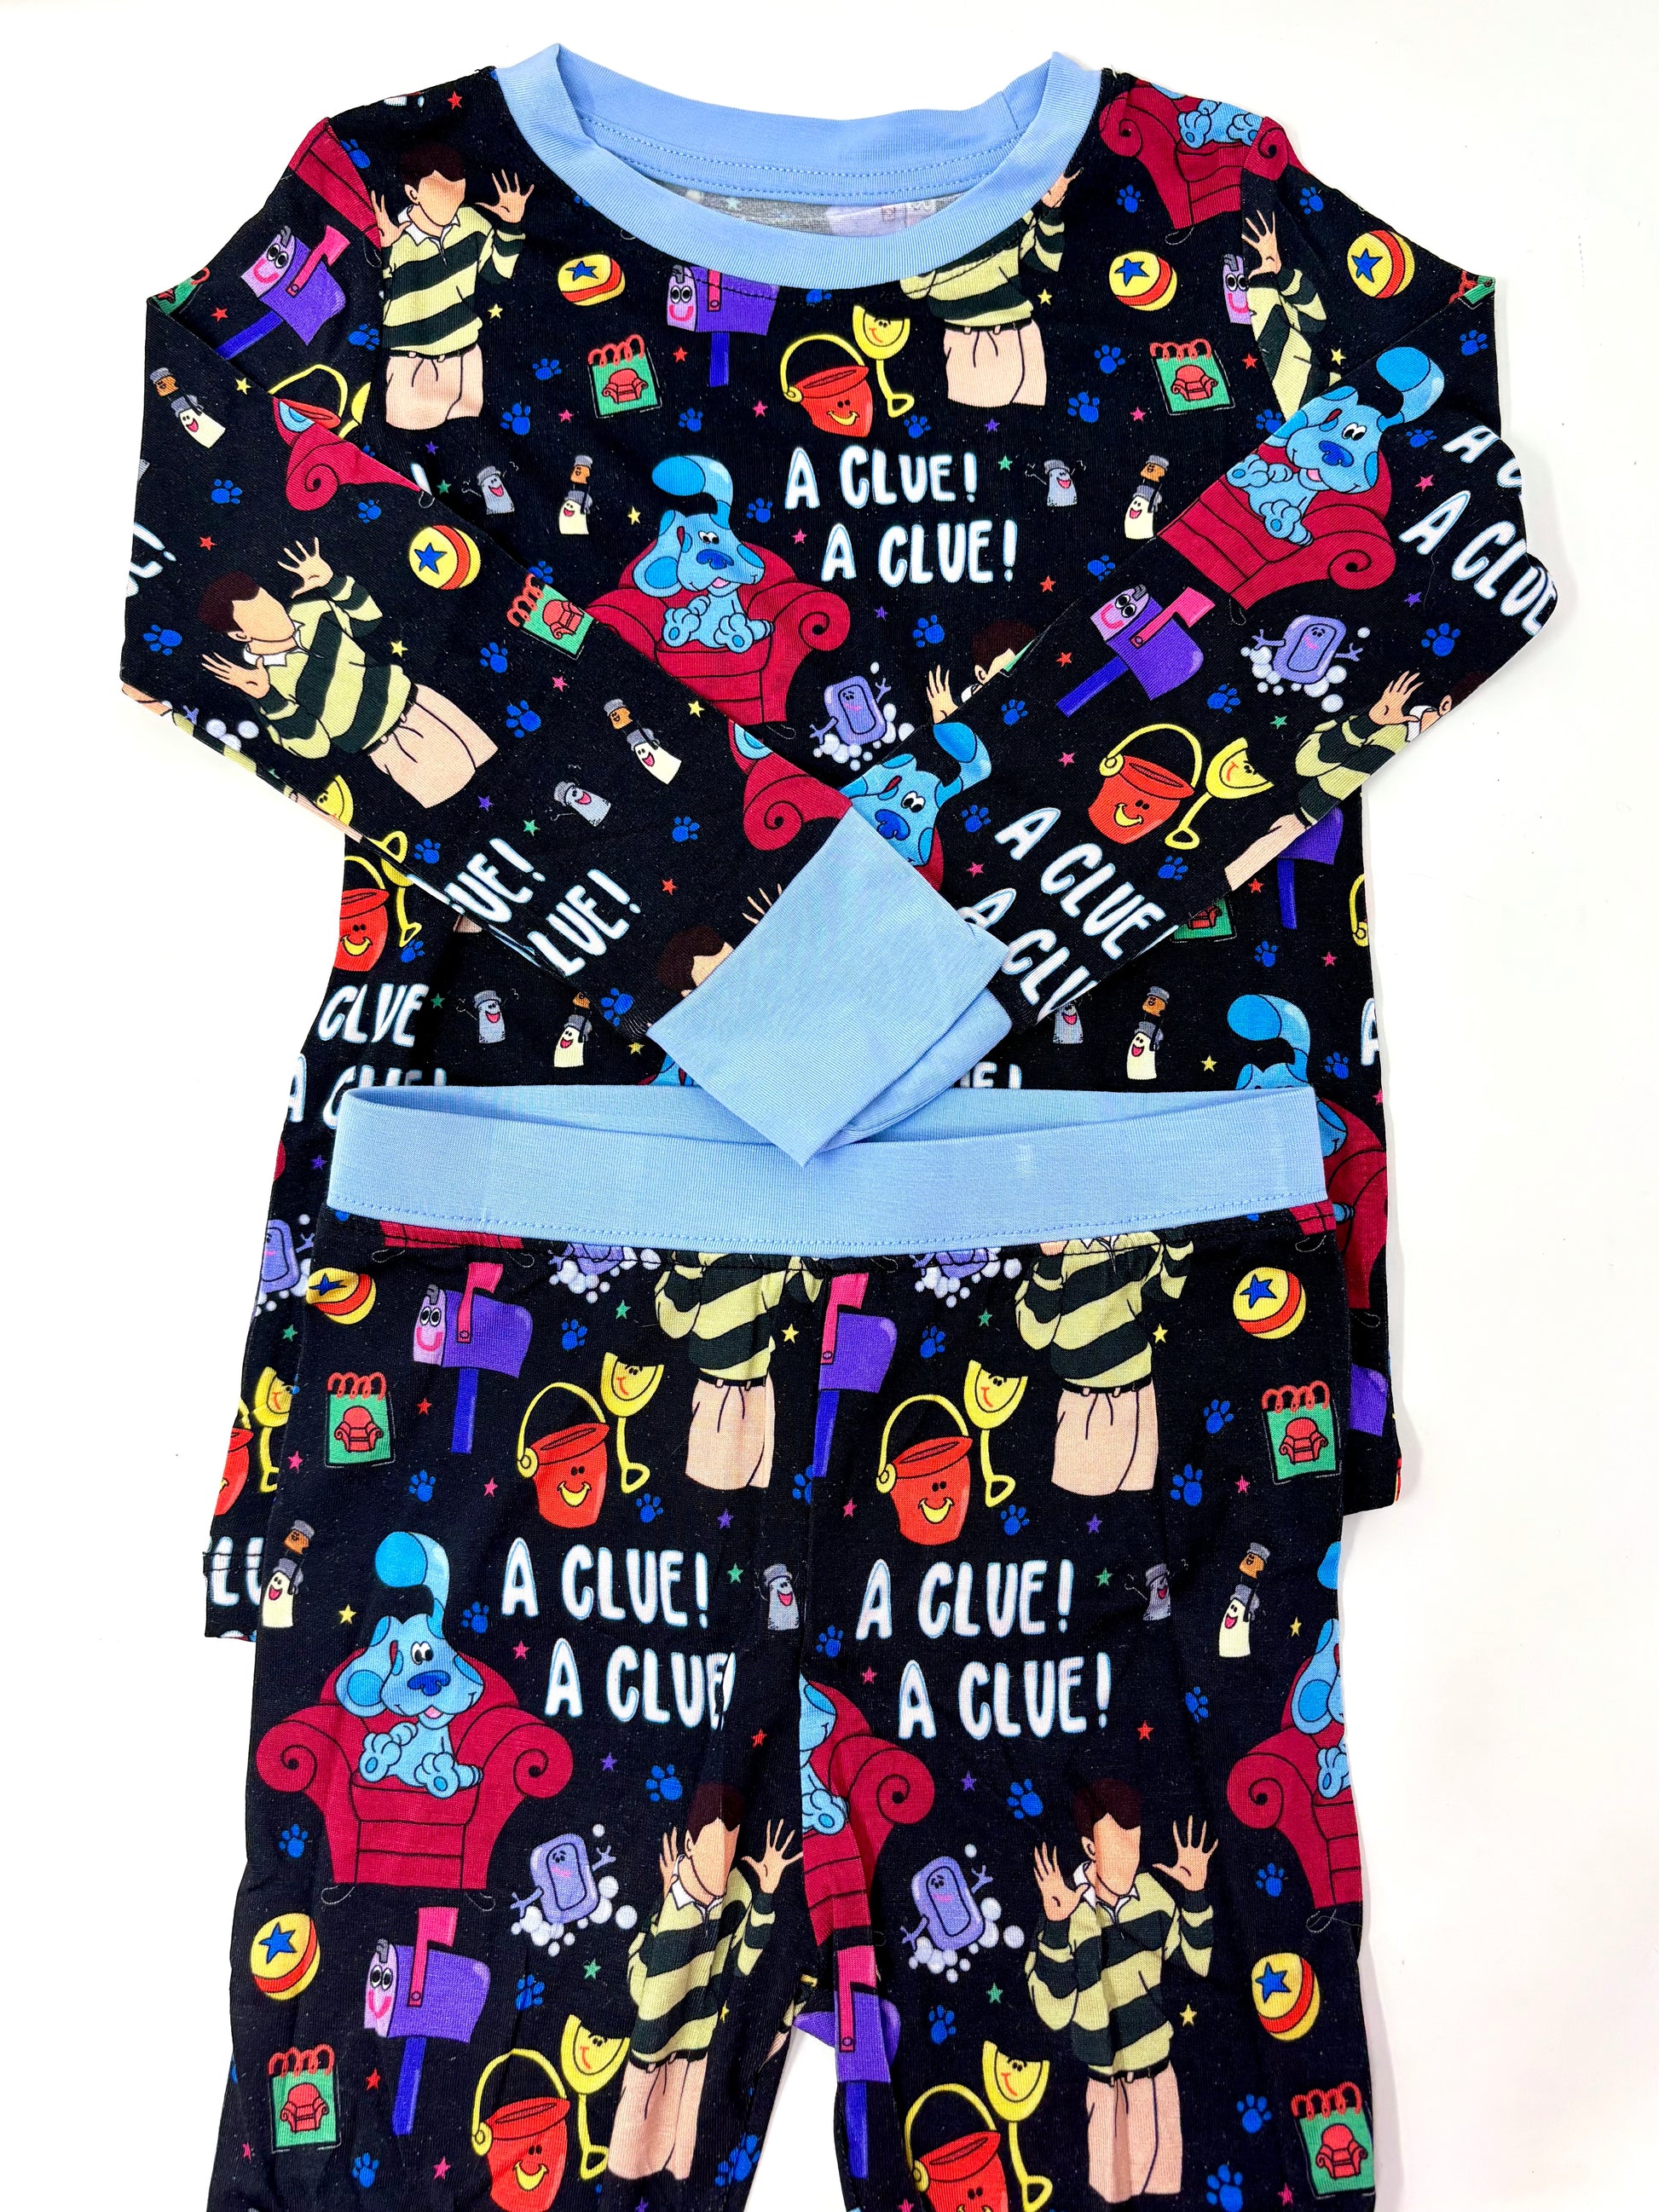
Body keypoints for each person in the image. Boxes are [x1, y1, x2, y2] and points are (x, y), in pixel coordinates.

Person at [198, 539, 496, 807]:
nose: (278, 613)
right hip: (394, 746)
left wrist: (332, 582)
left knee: (505, 763)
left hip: (422, 702)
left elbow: (368, 619)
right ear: (240, 635)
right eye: (261, 616)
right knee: (468, 810)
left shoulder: (310, 613)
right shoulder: (262, 683)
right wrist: (269, 698)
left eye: (271, 602)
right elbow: (314, 747)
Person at [1026, 1779, 1215, 2203]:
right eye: (1119, 1846)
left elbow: (1196, 1963)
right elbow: (1053, 2013)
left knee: (1171, 2196)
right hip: (1106, 2087)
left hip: (1161, 2078)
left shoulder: (1152, 1895)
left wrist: (1195, 1895)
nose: (1131, 1859)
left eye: (1135, 1845)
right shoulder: (1063, 1911)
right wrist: (1055, 1929)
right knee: (1104, 2198)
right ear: (1090, 1847)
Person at [610, 1786, 798, 2181]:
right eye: (714, 1844)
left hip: (698, 2051)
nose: (719, 1860)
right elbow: (638, 1980)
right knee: (627, 2155)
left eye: (730, 1842)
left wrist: (765, 1895)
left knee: (683, 2155)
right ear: (691, 1845)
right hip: (647, 2053)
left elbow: (745, 1962)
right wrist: (664, 1910)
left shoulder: (736, 1899)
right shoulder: (672, 1906)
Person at [371, 140, 533, 430]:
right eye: (443, 194)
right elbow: (374, 299)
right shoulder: (393, 235)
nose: (453, 203)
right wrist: (386, 251)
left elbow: (497, 273)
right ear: (413, 194)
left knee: (471, 440)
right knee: (405, 440)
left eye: (458, 192)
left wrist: (511, 226)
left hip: (466, 358)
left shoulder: (470, 221)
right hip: (413, 365)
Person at [1014, 1234, 1191, 1493]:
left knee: (1140, 1497)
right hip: (1088, 1404)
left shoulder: (1135, 1238)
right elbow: (1034, 1334)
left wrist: (1177, 1238)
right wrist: (1051, 1260)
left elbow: (1166, 1288)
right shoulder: (1057, 1254)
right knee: (1082, 1501)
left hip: (1141, 1396)